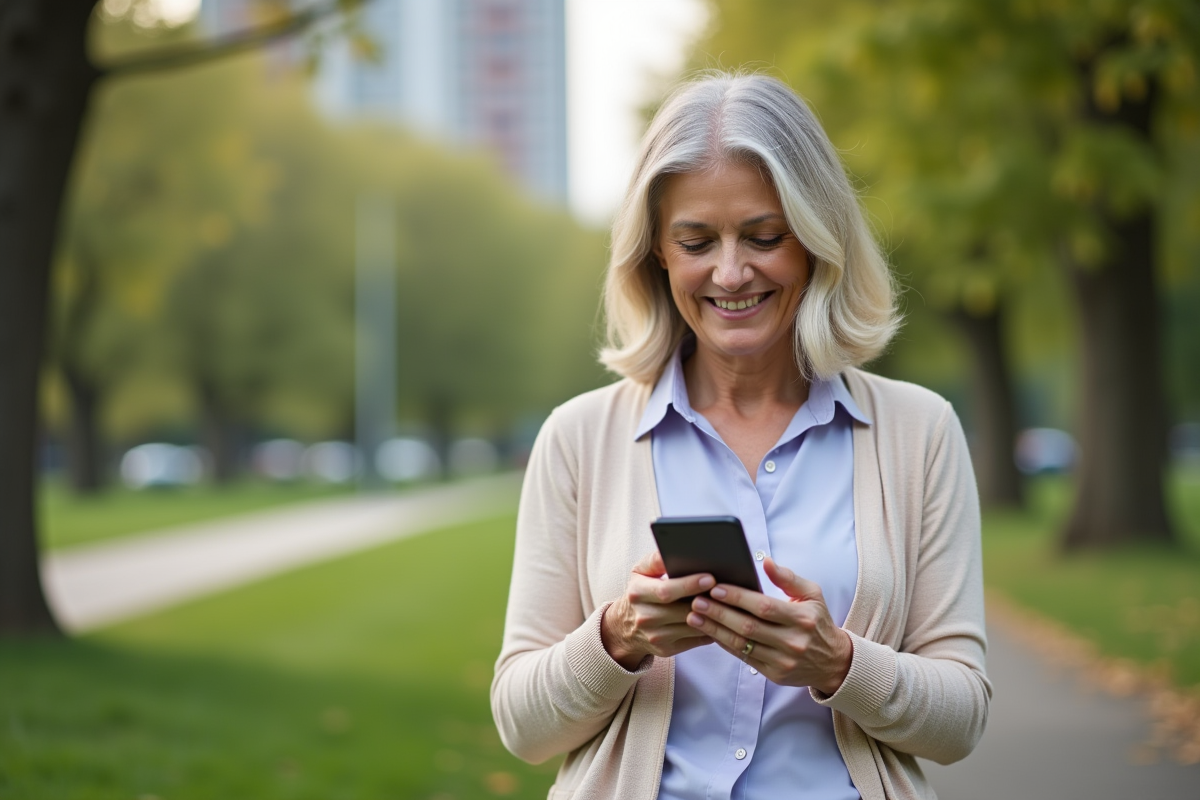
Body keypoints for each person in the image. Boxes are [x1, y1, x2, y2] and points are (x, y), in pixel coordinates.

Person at [491, 73, 990, 800]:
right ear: (657, 254)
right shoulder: (577, 439)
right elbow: (522, 727)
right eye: (696, 241)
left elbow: (962, 721)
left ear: (819, 240)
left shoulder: (920, 433)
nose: (731, 272)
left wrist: (837, 662)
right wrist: (620, 636)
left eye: (764, 236)